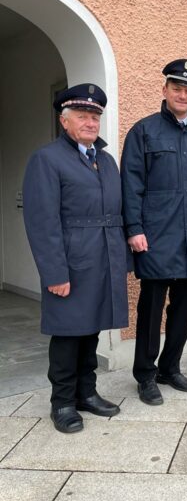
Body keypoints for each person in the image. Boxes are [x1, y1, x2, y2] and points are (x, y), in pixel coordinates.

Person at [22, 84, 128, 433]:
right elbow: (42, 222)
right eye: (82, 116)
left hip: (103, 261)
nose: (90, 122)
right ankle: (63, 402)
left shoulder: (106, 160)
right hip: (70, 263)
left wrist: (121, 259)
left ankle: (87, 393)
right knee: (68, 335)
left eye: (95, 116)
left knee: (91, 331)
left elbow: (115, 213)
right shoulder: (47, 159)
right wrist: (54, 272)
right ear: (64, 121)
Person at [121, 59, 187, 405]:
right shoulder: (144, 131)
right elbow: (131, 185)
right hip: (155, 238)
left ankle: (171, 367)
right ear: (165, 90)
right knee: (150, 311)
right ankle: (146, 375)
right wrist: (134, 229)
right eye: (177, 88)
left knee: (183, 308)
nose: (183, 94)